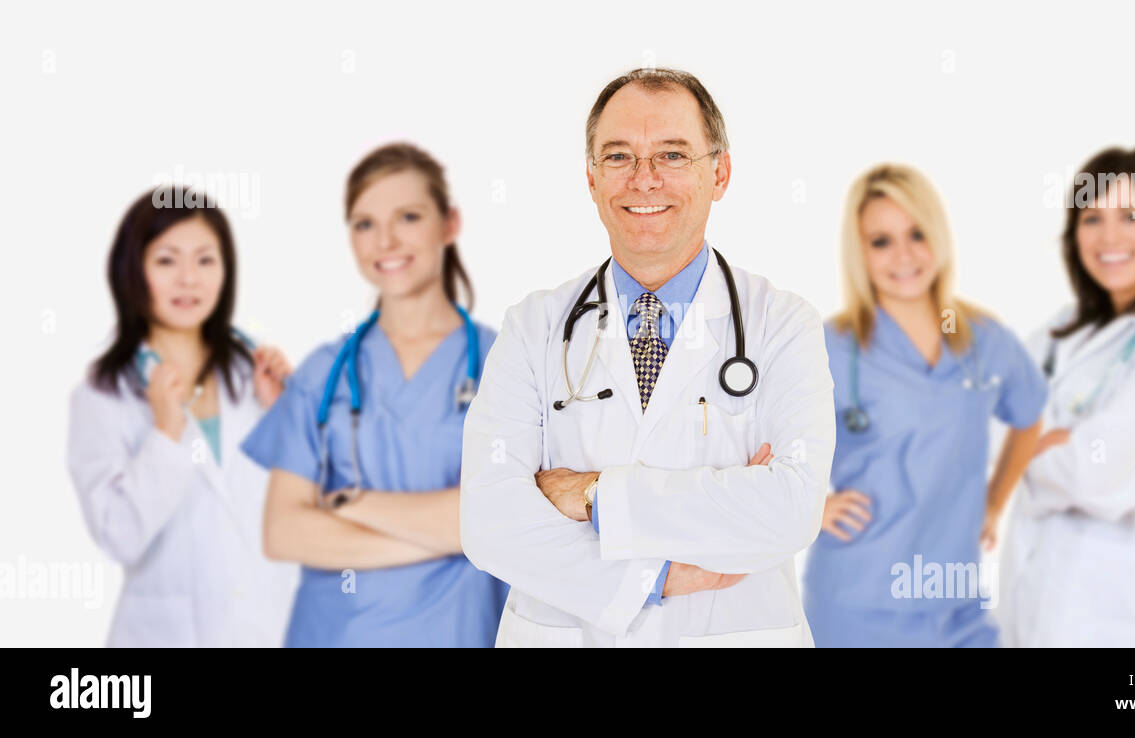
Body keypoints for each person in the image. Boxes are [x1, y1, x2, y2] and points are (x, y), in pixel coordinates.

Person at [459, 68, 836, 648]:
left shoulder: (781, 324)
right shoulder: (533, 325)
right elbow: (489, 519)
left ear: (721, 172)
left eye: (673, 155)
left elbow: (790, 510)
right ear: (590, 177)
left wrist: (588, 494)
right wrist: (655, 576)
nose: (644, 180)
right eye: (618, 157)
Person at [240, 143, 508, 647]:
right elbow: (283, 532)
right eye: (364, 223)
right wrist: (453, 538)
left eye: (408, 216)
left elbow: (504, 517)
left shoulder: (507, 364)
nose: (384, 240)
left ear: (449, 224)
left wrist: (346, 502)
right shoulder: (324, 373)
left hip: (460, 632)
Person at [802, 164, 1048, 647]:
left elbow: (1030, 414)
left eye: (917, 233)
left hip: (957, 605)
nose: (905, 255)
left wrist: (995, 504)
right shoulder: (832, 347)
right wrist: (812, 507)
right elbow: (762, 442)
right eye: (881, 241)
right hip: (858, 602)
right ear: (860, 254)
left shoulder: (982, 338)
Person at [998, 148, 1135, 648]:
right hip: (1030, 605)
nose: (1109, 237)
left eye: (1131, 216)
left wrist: (1028, 446)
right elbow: (984, 421)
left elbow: (1092, 473)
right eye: (1092, 217)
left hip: (1111, 616)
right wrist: (1046, 441)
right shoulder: (1061, 330)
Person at [67, 186, 298, 647]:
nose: (189, 279)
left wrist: (287, 418)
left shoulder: (256, 376)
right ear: (133, 272)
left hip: (271, 629)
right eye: (167, 260)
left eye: (205, 260)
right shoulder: (103, 394)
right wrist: (166, 431)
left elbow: (318, 505)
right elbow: (120, 538)